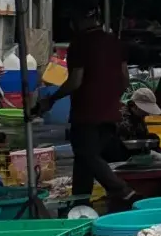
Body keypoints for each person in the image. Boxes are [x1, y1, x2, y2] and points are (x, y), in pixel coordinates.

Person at [37, 11, 136, 203]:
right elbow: (125, 78)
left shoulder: (80, 44)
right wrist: (111, 97)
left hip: (87, 112)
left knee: (87, 155)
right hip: (110, 112)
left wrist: (52, 99)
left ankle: (120, 189)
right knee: (84, 161)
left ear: (79, 20)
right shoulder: (114, 42)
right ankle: (80, 202)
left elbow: (75, 81)